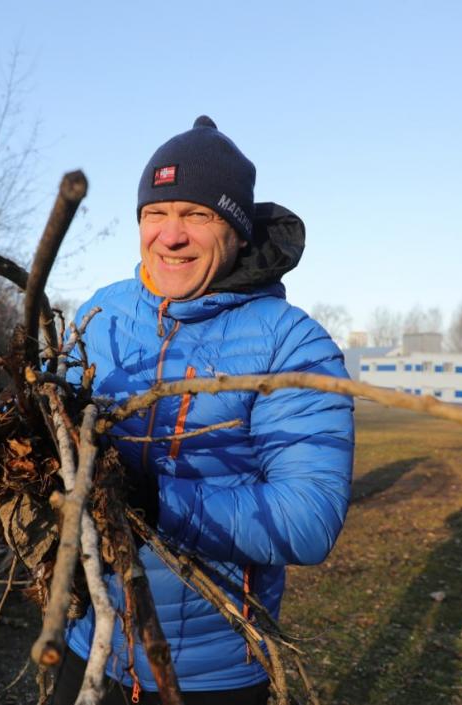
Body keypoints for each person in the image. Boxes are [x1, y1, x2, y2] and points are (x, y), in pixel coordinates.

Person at [52, 116, 354, 704]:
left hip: (211, 675)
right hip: (91, 642)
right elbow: (59, 433)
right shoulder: (102, 313)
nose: (171, 235)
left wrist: (158, 502)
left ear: (238, 231)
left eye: (197, 215)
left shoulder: (292, 346)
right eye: (155, 214)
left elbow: (310, 518)